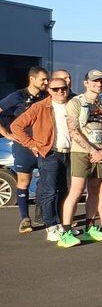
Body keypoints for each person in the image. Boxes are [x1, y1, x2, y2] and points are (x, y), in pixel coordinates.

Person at [9, 75, 71, 243]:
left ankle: (61, 224)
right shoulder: (40, 107)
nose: (60, 92)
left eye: (63, 88)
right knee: (49, 191)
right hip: (49, 153)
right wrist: (31, 144)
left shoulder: (73, 104)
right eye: (55, 89)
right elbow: (16, 126)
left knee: (65, 190)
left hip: (70, 152)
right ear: (49, 91)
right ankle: (50, 226)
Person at [57, 69, 102, 247]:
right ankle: (66, 232)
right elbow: (73, 131)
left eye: (101, 81)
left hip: (101, 152)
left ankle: (90, 227)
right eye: (95, 81)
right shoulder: (76, 102)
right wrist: (92, 150)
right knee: (76, 190)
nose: (99, 84)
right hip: (81, 152)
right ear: (86, 83)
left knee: (95, 189)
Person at [0, 66, 48, 233]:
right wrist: (6, 133)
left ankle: (46, 216)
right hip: (23, 146)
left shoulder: (47, 96)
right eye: (43, 79)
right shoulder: (18, 96)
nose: (46, 82)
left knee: (48, 181)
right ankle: (25, 218)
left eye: (47, 79)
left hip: (43, 145)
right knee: (24, 181)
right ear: (32, 79)